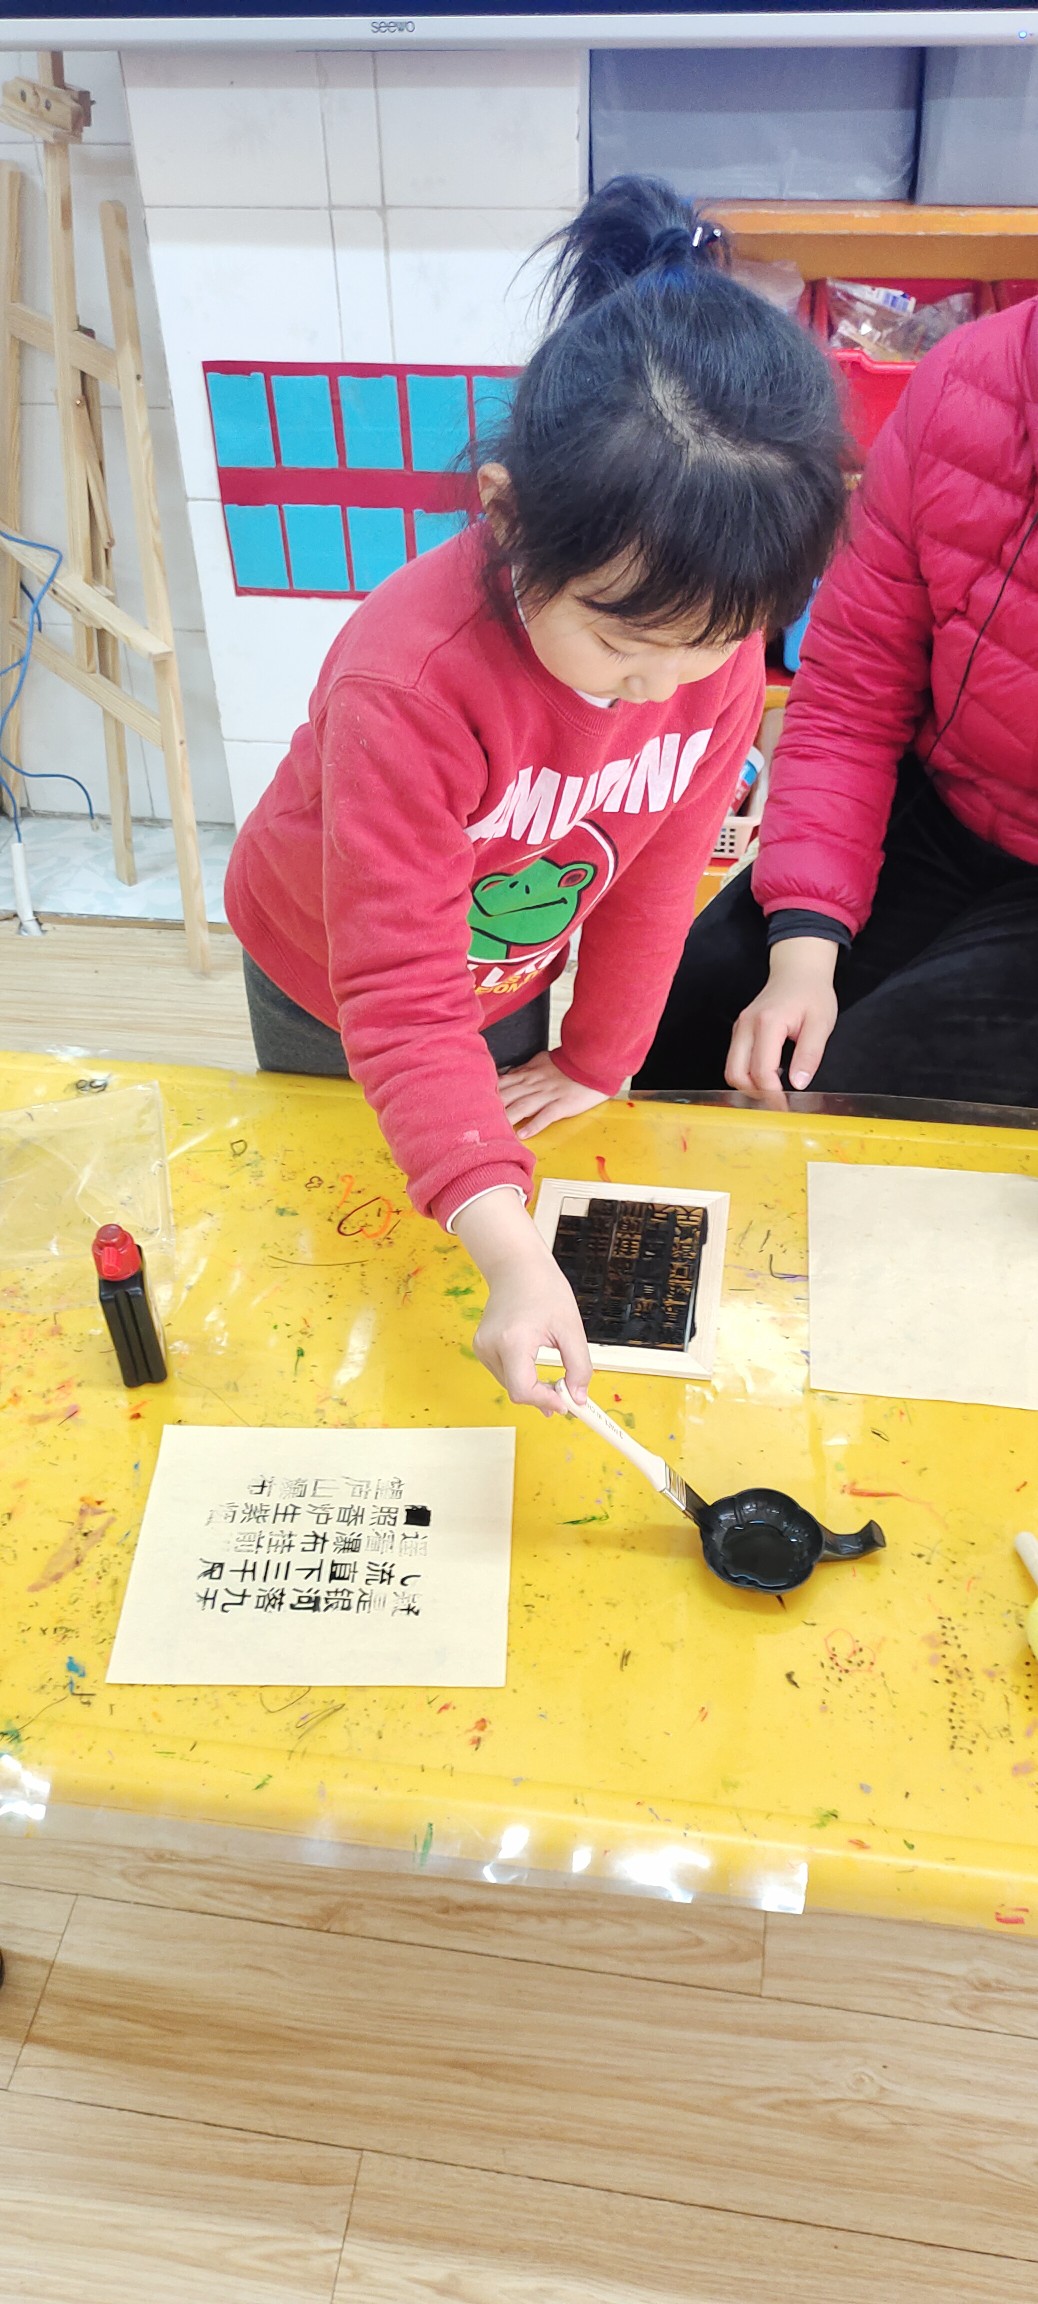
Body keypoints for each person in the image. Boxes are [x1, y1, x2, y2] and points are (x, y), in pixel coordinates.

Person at [225, 174, 845, 1413]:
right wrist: (510, 1253)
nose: (659, 688)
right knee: (349, 1224)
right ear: (508, 518)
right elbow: (398, 999)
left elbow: (656, 879)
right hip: (327, 973)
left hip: (505, 965)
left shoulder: (706, 663)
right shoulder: (412, 680)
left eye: (712, 645)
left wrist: (599, 1058)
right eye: (621, 645)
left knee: (483, 1179)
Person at [637, 293, 1038, 1110]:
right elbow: (852, 692)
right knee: (700, 1006)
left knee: (859, 1084)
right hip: (945, 793)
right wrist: (806, 942)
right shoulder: (967, 382)